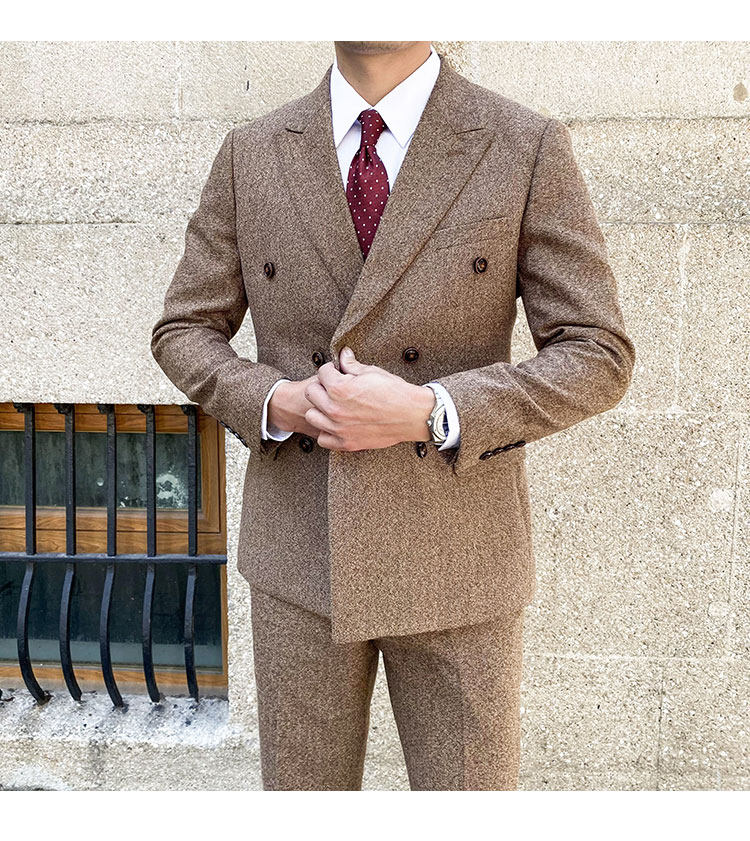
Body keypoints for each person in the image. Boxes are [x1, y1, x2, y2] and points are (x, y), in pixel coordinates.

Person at [151, 41, 635, 790]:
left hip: (460, 558)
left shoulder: (523, 145)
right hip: (299, 553)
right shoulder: (253, 152)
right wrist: (278, 401)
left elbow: (597, 351)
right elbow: (183, 328)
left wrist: (431, 411)